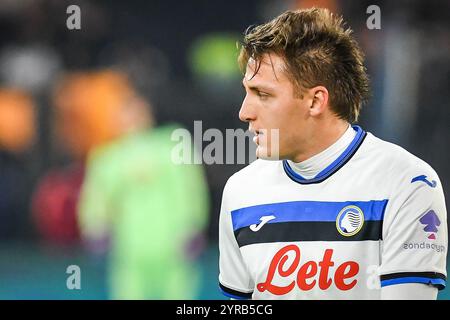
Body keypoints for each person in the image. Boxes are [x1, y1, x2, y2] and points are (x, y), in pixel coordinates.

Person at [218, 8, 447, 300]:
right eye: (246, 92)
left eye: (263, 94)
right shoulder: (240, 192)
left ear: (315, 101)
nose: (244, 112)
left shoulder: (408, 184)